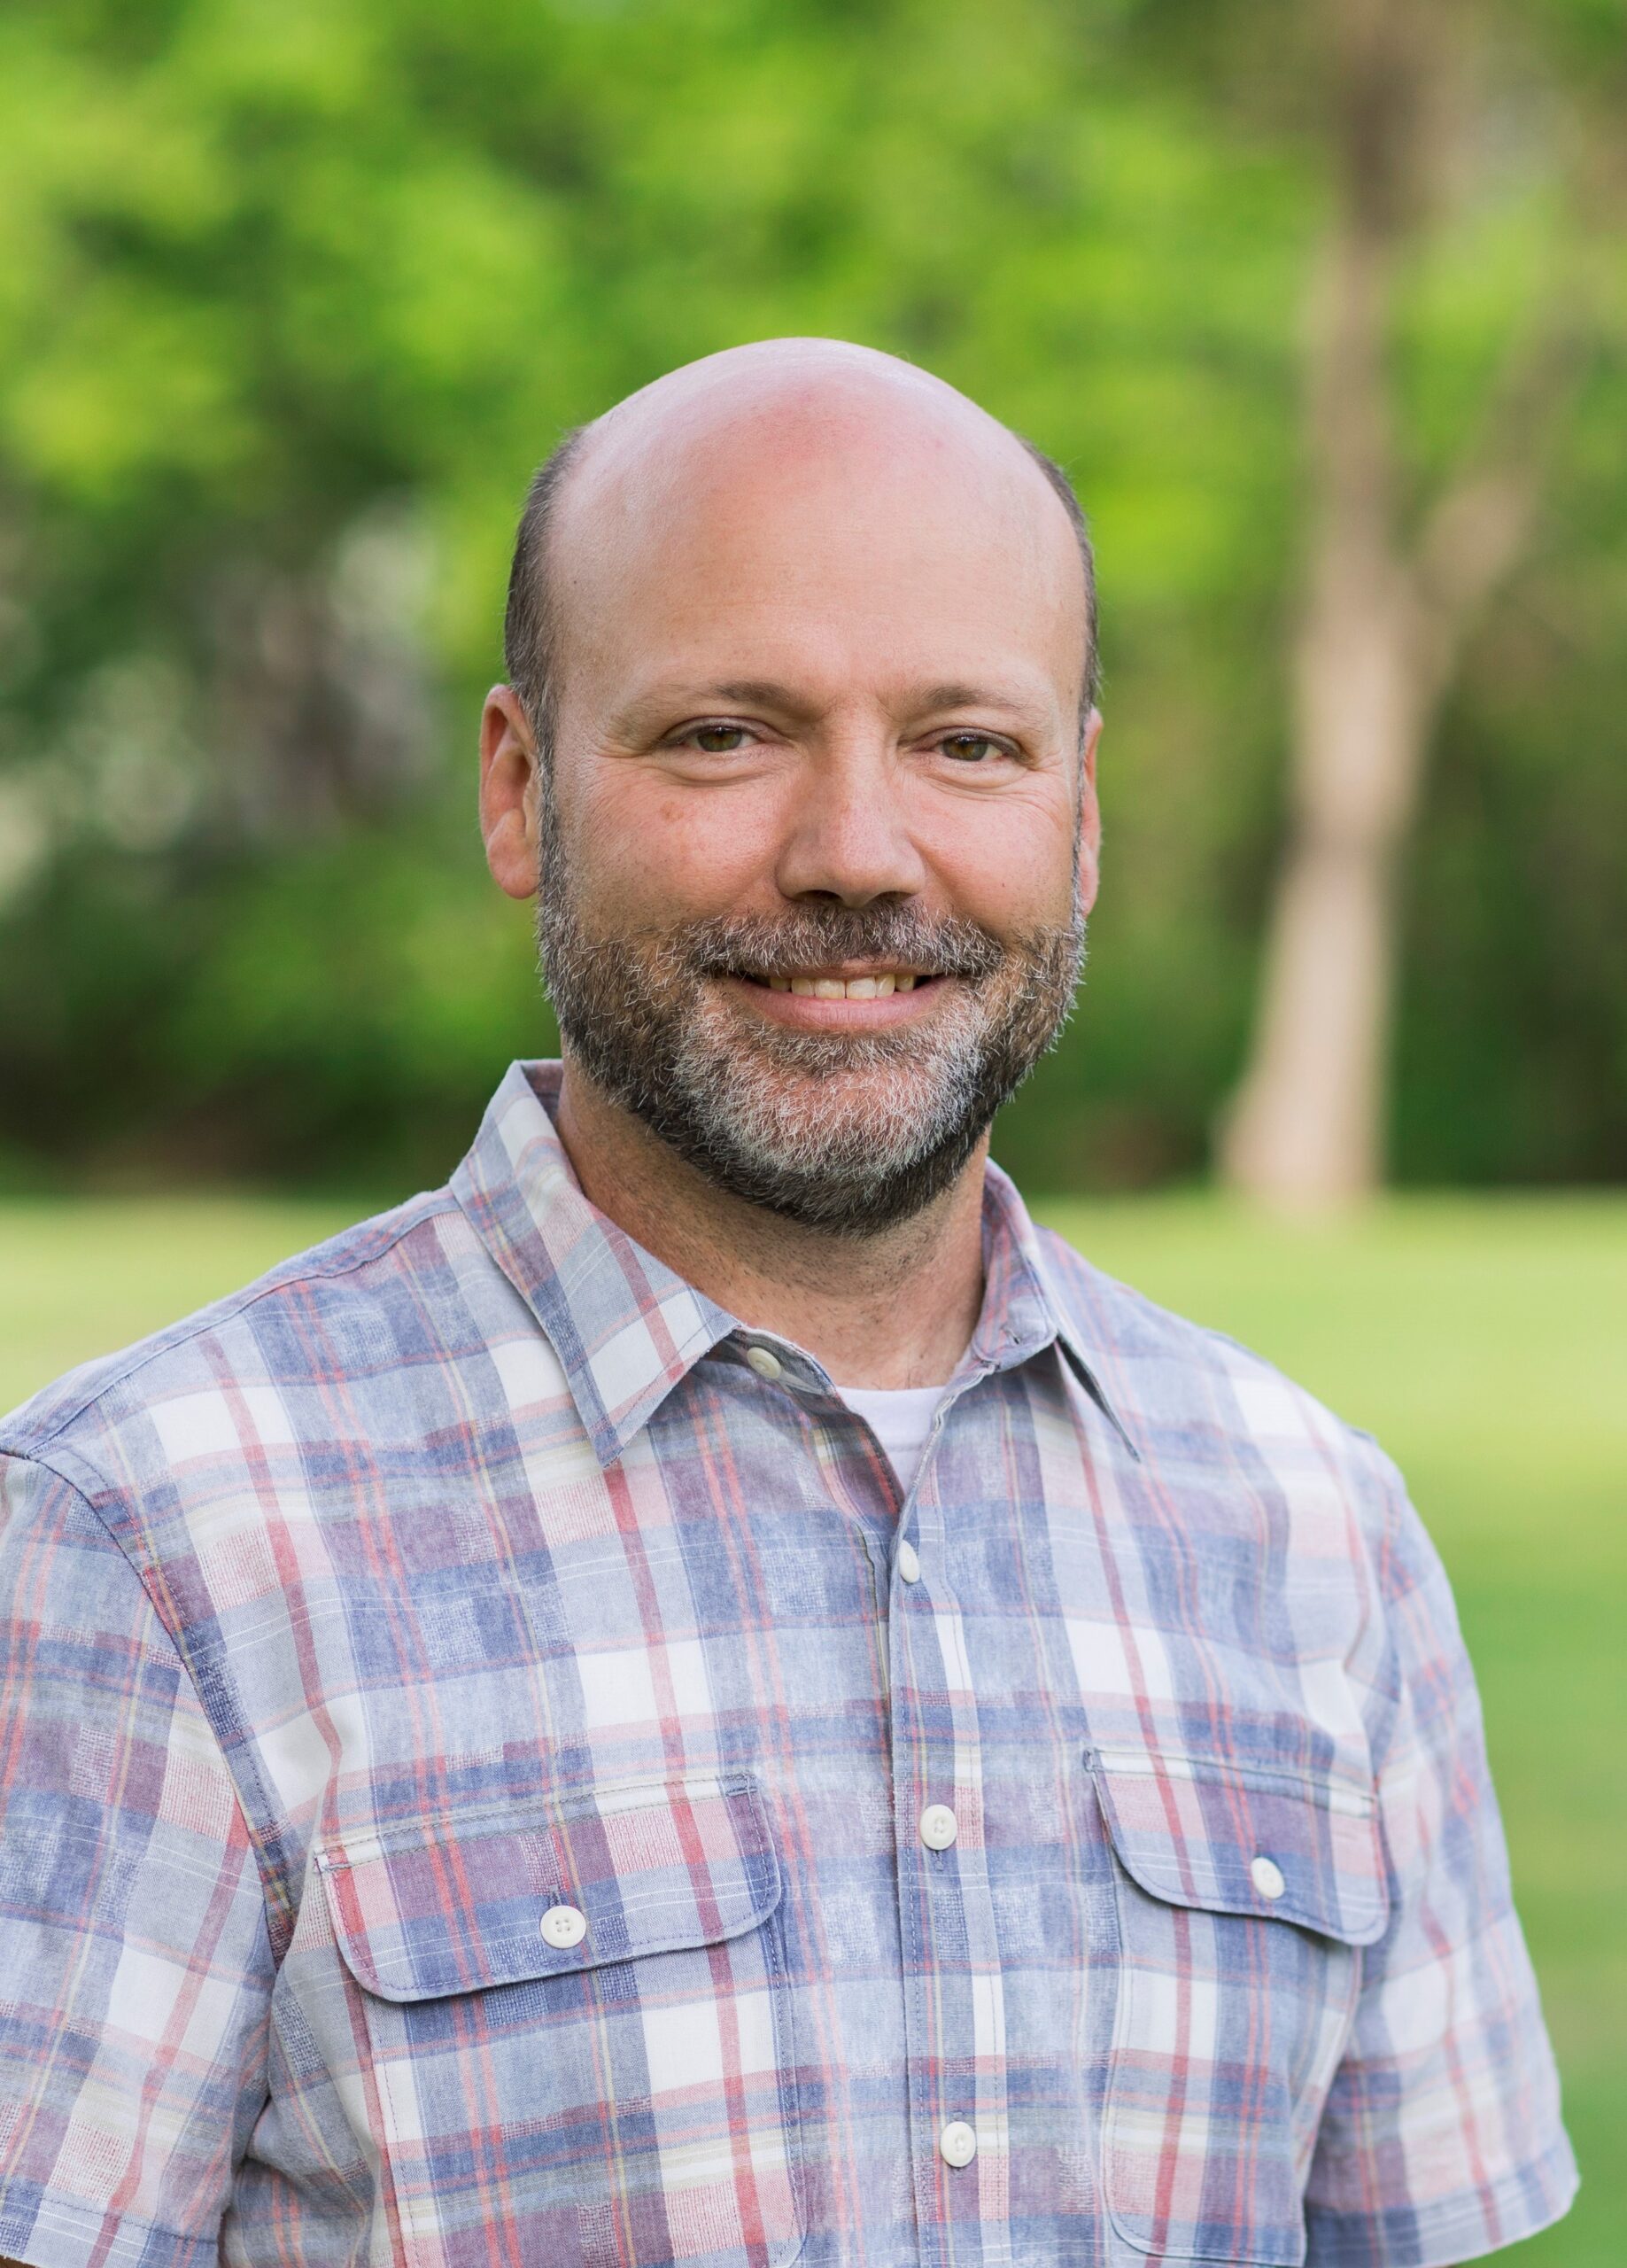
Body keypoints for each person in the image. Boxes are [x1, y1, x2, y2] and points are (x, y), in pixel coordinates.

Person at [0, 339, 1574, 2268]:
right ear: (519, 788)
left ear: (1078, 813)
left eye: (966, 744)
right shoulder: (149, 1541)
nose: (854, 850)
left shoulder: (1314, 1532)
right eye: (726, 733)